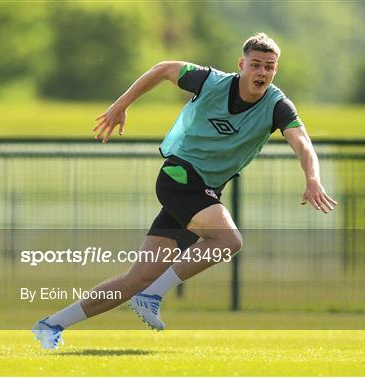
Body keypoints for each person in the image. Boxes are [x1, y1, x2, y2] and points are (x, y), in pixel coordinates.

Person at [32, 32, 337, 349]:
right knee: (228, 240)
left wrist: (313, 178)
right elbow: (164, 68)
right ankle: (152, 296)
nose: (262, 73)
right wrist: (121, 104)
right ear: (241, 64)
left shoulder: (277, 105)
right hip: (180, 176)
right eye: (256, 65)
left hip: (203, 192)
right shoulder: (210, 81)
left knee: (136, 279)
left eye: (269, 67)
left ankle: (51, 325)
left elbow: (302, 143)